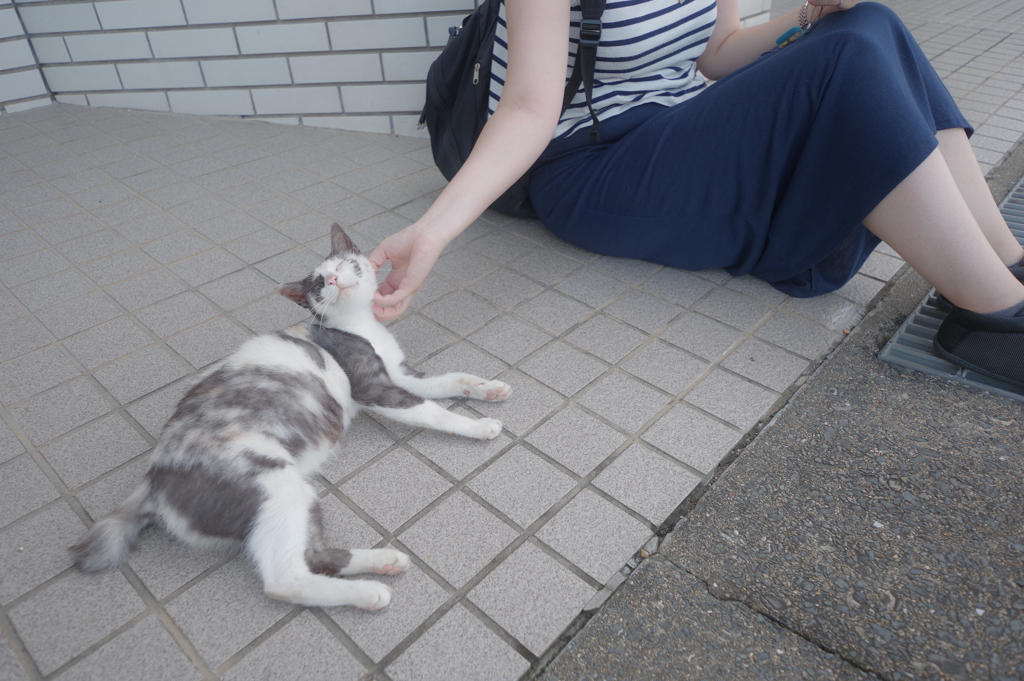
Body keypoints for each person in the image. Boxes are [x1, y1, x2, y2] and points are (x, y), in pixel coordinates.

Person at [369, 0, 1024, 388]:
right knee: (847, 64)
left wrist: (810, 15)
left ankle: (1004, 260)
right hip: (589, 162)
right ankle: (992, 314)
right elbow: (529, 110)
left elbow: (718, 55)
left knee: (870, 22)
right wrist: (434, 230)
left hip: (682, 122)